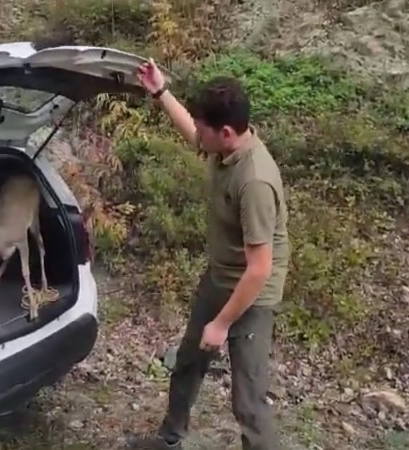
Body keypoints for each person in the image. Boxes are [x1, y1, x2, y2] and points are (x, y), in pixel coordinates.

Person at [124, 59, 290, 450]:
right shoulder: (226, 148)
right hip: (220, 277)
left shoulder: (255, 182)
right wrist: (161, 92)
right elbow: (191, 131)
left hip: (252, 294)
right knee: (188, 363)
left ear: (227, 133)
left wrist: (221, 324)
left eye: (204, 128)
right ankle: (169, 440)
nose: (197, 133)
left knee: (248, 400)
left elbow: (260, 268)